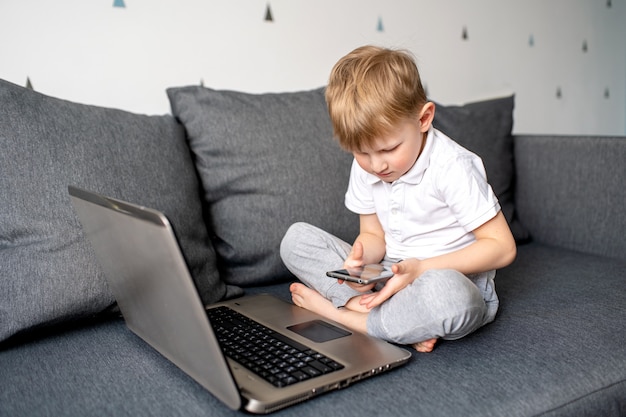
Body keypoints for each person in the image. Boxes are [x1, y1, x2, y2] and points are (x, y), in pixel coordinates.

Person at [280, 45, 516, 353]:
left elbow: (501, 248)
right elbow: (373, 234)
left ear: (423, 119)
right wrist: (362, 263)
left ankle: (345, 316)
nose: (377, 165)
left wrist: (421, 269)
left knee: (450, 301)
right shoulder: (367, 166)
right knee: (295, 239)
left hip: (447, 279)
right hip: (389, 276)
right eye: (362, 152)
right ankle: (376, 312)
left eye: (389, 149)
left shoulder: (452, 167)